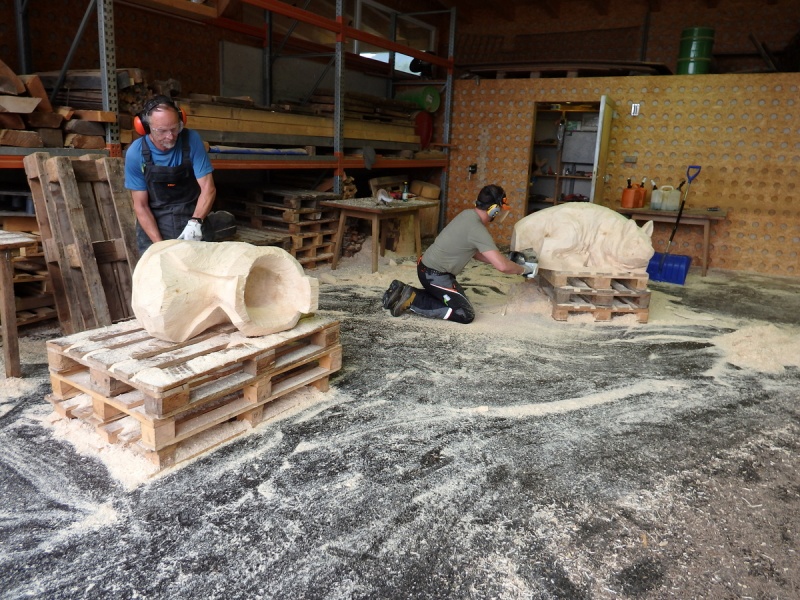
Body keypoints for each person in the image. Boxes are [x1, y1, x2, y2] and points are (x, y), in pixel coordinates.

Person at [382, 184, 536, 324]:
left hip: (426, 268)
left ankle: (401, 291)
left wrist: (500, 259)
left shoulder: (467, 215)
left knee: (453, 299)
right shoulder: (477, 230)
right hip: (435, 276)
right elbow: (502, 267)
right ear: (494, 210)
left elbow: (475, 253)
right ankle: (412, 299)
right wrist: (524, 270)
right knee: (464, 313)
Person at [124, 95, 216, 254]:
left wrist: (195, 223)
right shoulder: (135, 153)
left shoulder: (191, 139)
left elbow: (208, 188)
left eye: (174, 128)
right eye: (162, 131)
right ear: (146, 127)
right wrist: (160, 246)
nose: (170, 136)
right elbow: (141, 206)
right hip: (156, 224)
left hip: (193, 217)